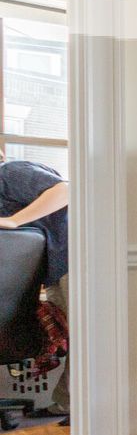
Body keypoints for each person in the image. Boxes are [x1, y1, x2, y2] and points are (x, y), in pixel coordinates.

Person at [0, 155, 69, 416]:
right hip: (56, 267)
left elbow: (64, 190)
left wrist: (15, 220)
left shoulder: (9, 172)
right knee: (80, 338)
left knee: (88, 339)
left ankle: (74, 406)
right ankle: (66, 405)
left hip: (74, 259)